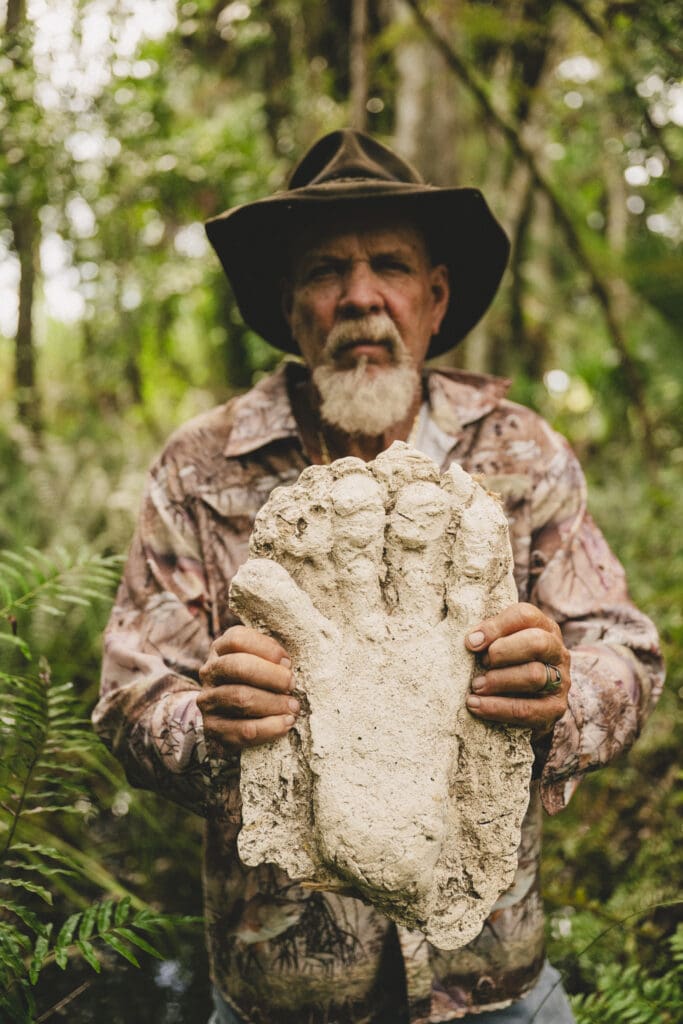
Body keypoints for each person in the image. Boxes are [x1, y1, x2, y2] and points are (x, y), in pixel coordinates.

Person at [93, 130, 664, 1024]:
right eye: (326, 270)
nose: (359, 297)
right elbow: (129, 693)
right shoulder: (201, 468)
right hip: (284, 1000)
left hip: (492, 990)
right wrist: (210, 721)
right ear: (290, 303)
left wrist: (562, 693)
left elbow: (625, 651)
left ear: (433, 298)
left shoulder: (519, 454)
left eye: (388, 265)